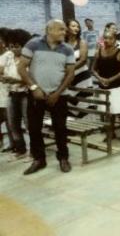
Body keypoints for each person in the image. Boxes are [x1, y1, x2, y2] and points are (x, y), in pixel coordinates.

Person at [18, 20, 75, 175]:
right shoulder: (33, 44)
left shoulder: (67, 49)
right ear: (49, 30)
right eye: (61, 29)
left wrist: (57, 93)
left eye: (65, 29)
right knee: (34, 128)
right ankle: (39, 159)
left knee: (60, 128)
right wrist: (34, 88)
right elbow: (21, 68)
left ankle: (63, 157)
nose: (65, 32)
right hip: (37, 94)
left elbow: (70, 73)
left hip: (59, 95)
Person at [92, 30, 120, 143]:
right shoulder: (99, 52)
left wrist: (110, 79)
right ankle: (111, 132)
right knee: (108, 112)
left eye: (110, 38)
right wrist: (100, 79)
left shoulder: (119, 52)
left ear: (115, 40)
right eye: (105, 38)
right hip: (104, 86)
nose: (107, 40)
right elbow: (93, 69)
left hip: (118, 86)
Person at [1, 29, 32, 159]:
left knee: (28, 123)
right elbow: (1, 71)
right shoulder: (8, 56)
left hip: (25, 94)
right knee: (13, 123)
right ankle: (20, 149)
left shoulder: (28, 59)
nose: (14, 49)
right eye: (11, 46)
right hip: (11, 93)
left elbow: (31, 80)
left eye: (17, 47)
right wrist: (4, 77)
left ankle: (33, 151)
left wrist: (16, 80)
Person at [65, 19, 93, 93]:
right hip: (67, 77)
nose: (76, 28)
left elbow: (83, 60)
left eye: (78, 26)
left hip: (82, 75)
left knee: (83, 103)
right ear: (67, 28)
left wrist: (68, 70)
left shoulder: (82, 42)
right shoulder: (63, 44)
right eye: (73, 26)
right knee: (70, 100)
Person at [0, 28, 11, 152]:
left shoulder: (8, 54)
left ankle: (14, 143)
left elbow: (4, 72)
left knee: (7, 117)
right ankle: (5, 142)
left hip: (6, 89)